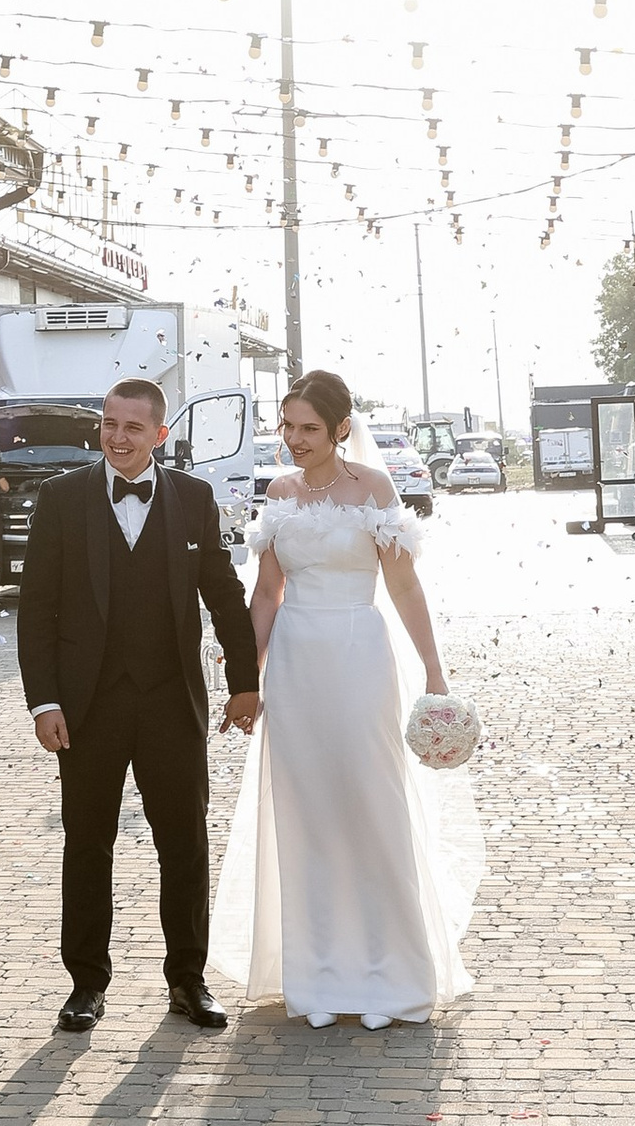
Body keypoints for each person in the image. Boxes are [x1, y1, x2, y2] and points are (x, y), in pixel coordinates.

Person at [205, 367, 482, 1029]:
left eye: (309, 428)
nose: (295, 439)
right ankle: (318, 978)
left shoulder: (375, 488)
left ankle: (392, 978)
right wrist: (246, 679)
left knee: (369, 803)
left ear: (339, 430)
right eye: (288, 426)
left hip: (359, 654)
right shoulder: (280, 491)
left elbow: (406, 589)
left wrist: (435, 674)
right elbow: (266, 594)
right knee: (307, 816)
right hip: (295, 666)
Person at [17, 375, 260, 1034]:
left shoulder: (194, 498)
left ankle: (188, 980)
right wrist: (43, 701)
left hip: (170, 703)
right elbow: (36, 609)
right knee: (86, 845)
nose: (117, 438)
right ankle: (85, 985)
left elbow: (225, 593)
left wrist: (244, 682)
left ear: (159, 434)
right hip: (86, 706)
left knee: (183, 843)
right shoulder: (62, 499)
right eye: (109, 424)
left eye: (132, 428)